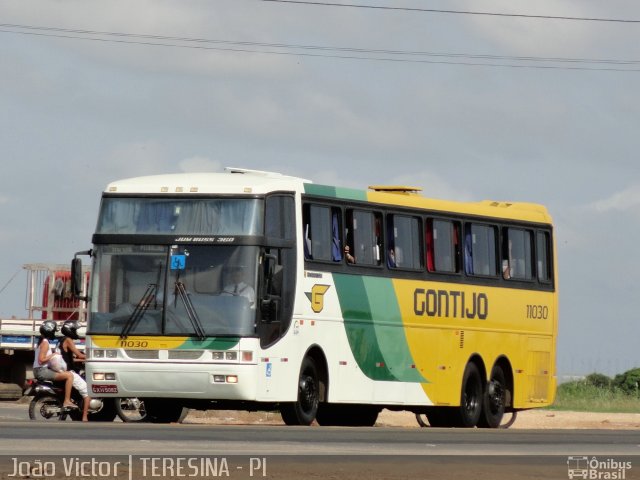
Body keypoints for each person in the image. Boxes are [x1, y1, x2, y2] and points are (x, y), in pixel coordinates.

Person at [32, 320, 76, 410]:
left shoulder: (41, 341)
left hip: (39, 370)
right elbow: (41, 360)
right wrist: (53, 354)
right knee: (69, 376)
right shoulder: (45, 343)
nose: (54, 333)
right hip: (41, 371)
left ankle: (62, 397)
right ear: (49, 331)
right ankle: (67, 401)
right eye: (54, 331)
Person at [59, 320, 92, 422]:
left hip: (64, 369)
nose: (76, 332)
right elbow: (79, 354)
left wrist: (82, 359)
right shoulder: (68, 340)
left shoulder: (62, 340)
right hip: (69, 371)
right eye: (74, 330)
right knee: (88, 393)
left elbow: (72, 358)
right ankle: (85, 417)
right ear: (70, 330)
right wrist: (92, 357)